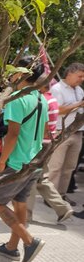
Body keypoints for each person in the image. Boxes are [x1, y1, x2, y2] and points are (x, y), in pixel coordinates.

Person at [0, 56, 48, 262]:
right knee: (19, 203)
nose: (11, 74)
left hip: (16, 162)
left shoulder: (17, 98)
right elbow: (43, 131)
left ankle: (29, 241)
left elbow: (13, 134)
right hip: (35, 160)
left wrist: (2, 162)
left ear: (22, 73)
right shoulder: (41, 98)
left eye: (14, 70)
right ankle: (12, 248)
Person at [26, 75, 74, 223]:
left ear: (39, 86)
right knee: (41, 179)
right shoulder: (52, 100)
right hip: (47, 145)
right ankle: (63, 209)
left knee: (29, 180)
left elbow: (41, 126)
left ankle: (26, 215)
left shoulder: (42, 101)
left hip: (39, 146)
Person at [47, 63, 84, 207]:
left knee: (69, 167)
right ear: (70, 74)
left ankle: (61, 195)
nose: (81, 79)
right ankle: (50, 197)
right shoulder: (57, 89)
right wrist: (78, 105)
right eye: (79, 76)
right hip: (60, 132)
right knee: (55, 167)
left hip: (77, 132)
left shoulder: (79, 90)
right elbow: (57, 110)